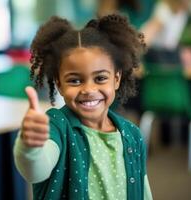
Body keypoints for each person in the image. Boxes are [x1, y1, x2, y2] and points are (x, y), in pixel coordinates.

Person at [14, 13, 152, 199]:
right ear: (59, 84)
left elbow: (143, 191)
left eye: (100, 78)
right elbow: (36, 171)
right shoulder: (56, 126)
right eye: (75, 80)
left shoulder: (132, 135)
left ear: (116, 79)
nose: (89, 89)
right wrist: (30, 147)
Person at [141, 0, 191, 65]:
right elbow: (147, 35)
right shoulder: (164, 9)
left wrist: (184, 51)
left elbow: (171, 40)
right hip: (157, 54)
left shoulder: (183, 12)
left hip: (171, 53)